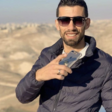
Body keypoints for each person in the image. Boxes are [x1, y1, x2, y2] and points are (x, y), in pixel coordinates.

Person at [15, 0, 112, 112]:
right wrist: (38, 75)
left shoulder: (105, 64)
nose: (71, 27)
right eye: (64, 20)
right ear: (57, 24)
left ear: (87, 23)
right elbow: (22, 97)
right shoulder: (48, 55)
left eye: (78, 20)